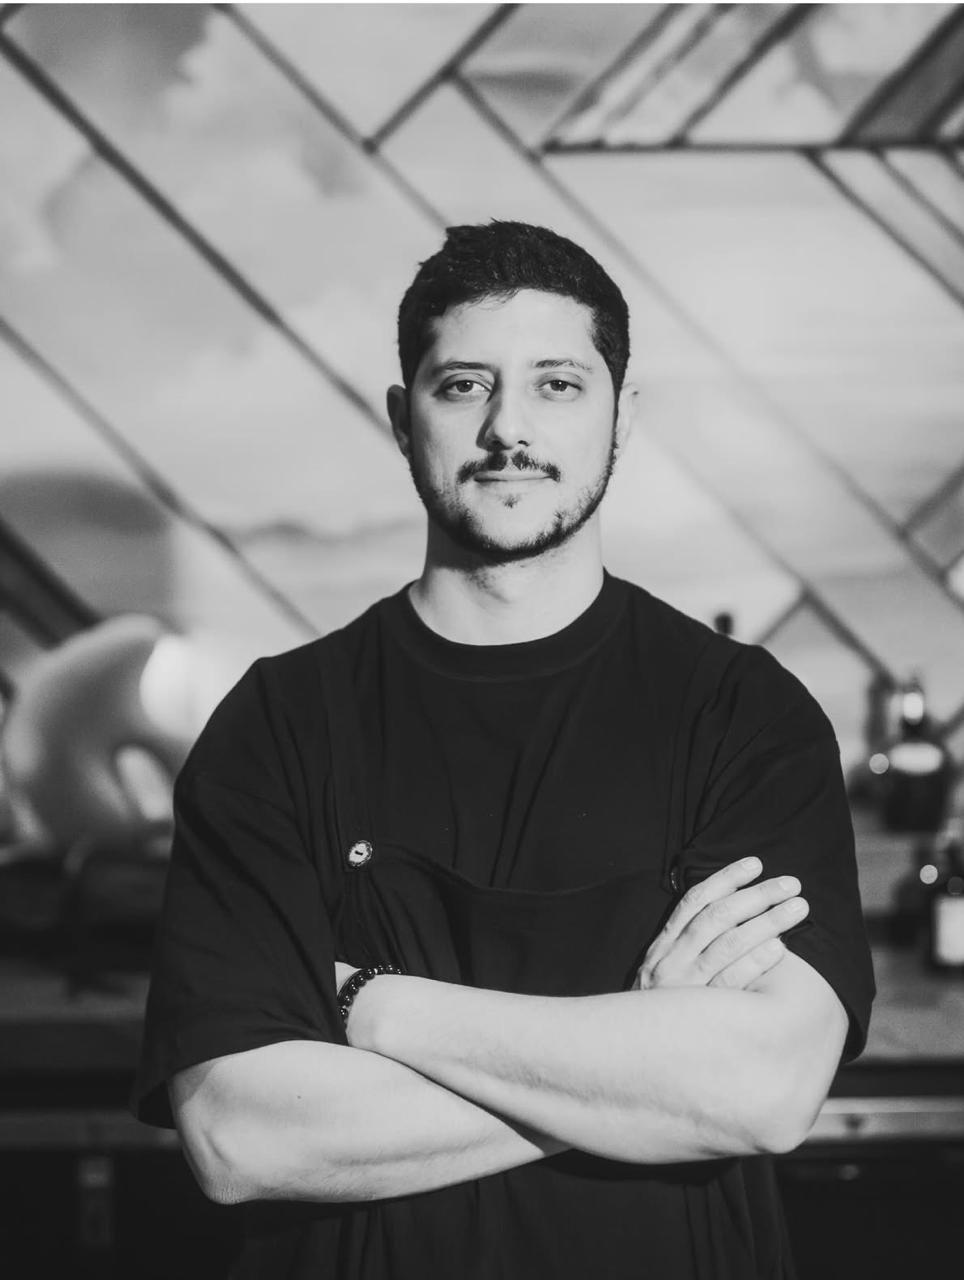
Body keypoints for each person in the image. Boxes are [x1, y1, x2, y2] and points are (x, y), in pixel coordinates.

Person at [131, 220, 875, 1279]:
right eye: (463, 386)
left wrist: (371, 1004)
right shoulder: (280, 722)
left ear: (622, 414)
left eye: (557, 385)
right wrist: (644, 1062)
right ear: (403, 419)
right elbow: (240, 1137)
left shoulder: (744, 715)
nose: (508, 429)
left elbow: (762, 1090)